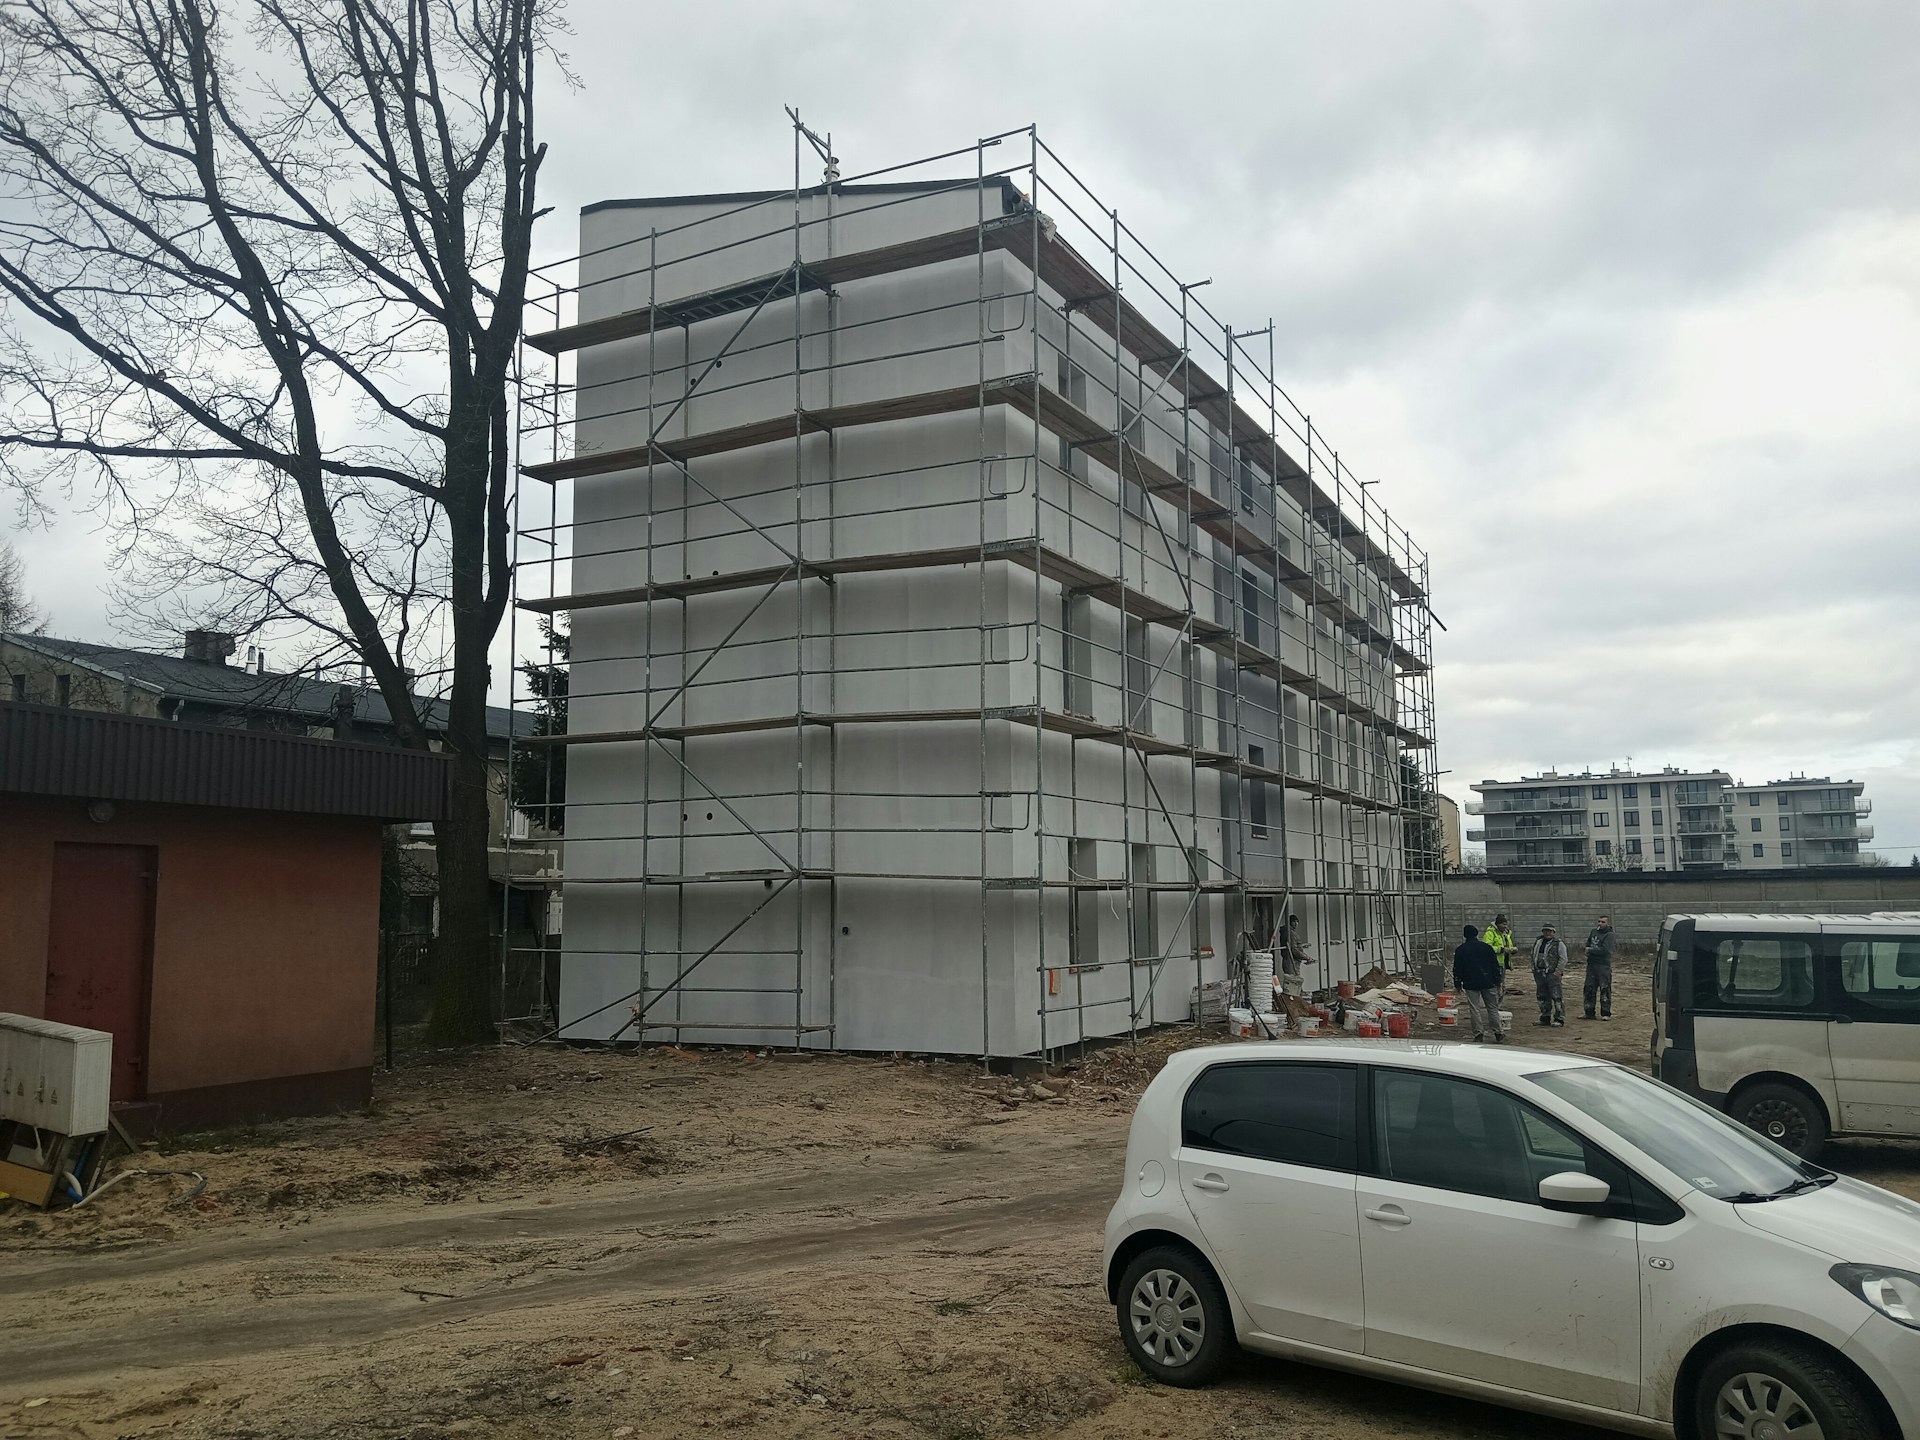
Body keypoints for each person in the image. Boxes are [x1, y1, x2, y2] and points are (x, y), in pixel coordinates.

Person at [1452, 924, 1506, 1043]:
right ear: (1477, 934)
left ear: (1465, 935)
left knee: (1474, 1009)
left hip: (1470, 983)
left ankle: (1478, 1033)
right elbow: (1495, 966)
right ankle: (1498, 1032)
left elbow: (1457, 968)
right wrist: (1498, 982)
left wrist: (1457, 984)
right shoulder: (1486, 948)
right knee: (1492, 1008)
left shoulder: (1461, 950)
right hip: (1488, 981)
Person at [1532, 923, 1567, 1027]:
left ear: (1554, 932)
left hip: (1552, 974)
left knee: (1557, 996)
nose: (1547, 933)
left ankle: (1559, 1018)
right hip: (1539, 973)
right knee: (1542, 996)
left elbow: (1563, 958)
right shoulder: (1538, 942)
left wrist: (1558, 971)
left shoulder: (1558, 943)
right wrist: (1534, 968)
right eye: (1545, 930)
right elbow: (1533, 955)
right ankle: (1545, 1017)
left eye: (1550, 931)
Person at [1584, 915, 1616, 1020]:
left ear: (1608, 924)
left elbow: (1606, 950)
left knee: (1605, 988)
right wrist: (1588, 949)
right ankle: (1589, 1012)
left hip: (1603, 965)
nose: (1600, 924)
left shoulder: (1609, 935)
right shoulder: (1594, 932)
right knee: (1589, 988)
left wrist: (1590, 950)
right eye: (1599, 921)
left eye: (1603, 922)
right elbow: (1588, 944)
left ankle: (1605, 1013)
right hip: (1591, 964)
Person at [1484, 912, 1517, 991]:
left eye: (1506, 924)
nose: (1505, 926)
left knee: (1501, 984)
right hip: (1493, 963)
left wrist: (1512, 950)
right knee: (1495, 984)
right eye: (1503, 924)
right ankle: (1495, 1000)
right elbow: (1486, 947)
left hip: (1503, 963)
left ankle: (1499, 999)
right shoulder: (1490, 933)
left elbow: (1508, 946)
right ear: (1497, 924)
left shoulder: (1506, 934)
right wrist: (1501, 949)